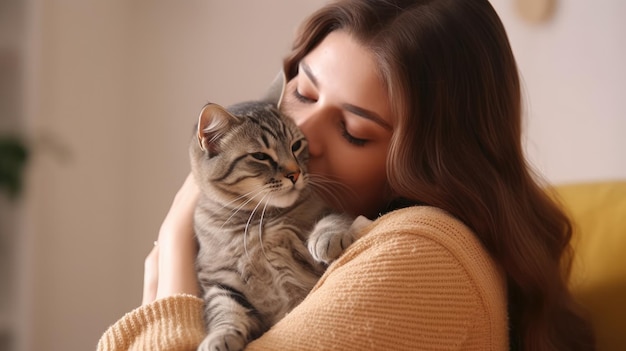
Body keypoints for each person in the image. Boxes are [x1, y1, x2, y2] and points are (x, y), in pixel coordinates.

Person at [98, 0, 596, 350]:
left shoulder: (423, 252)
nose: (303, 142)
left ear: (429, 163)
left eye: (354, 130)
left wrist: (174, 244)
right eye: (303, 92)